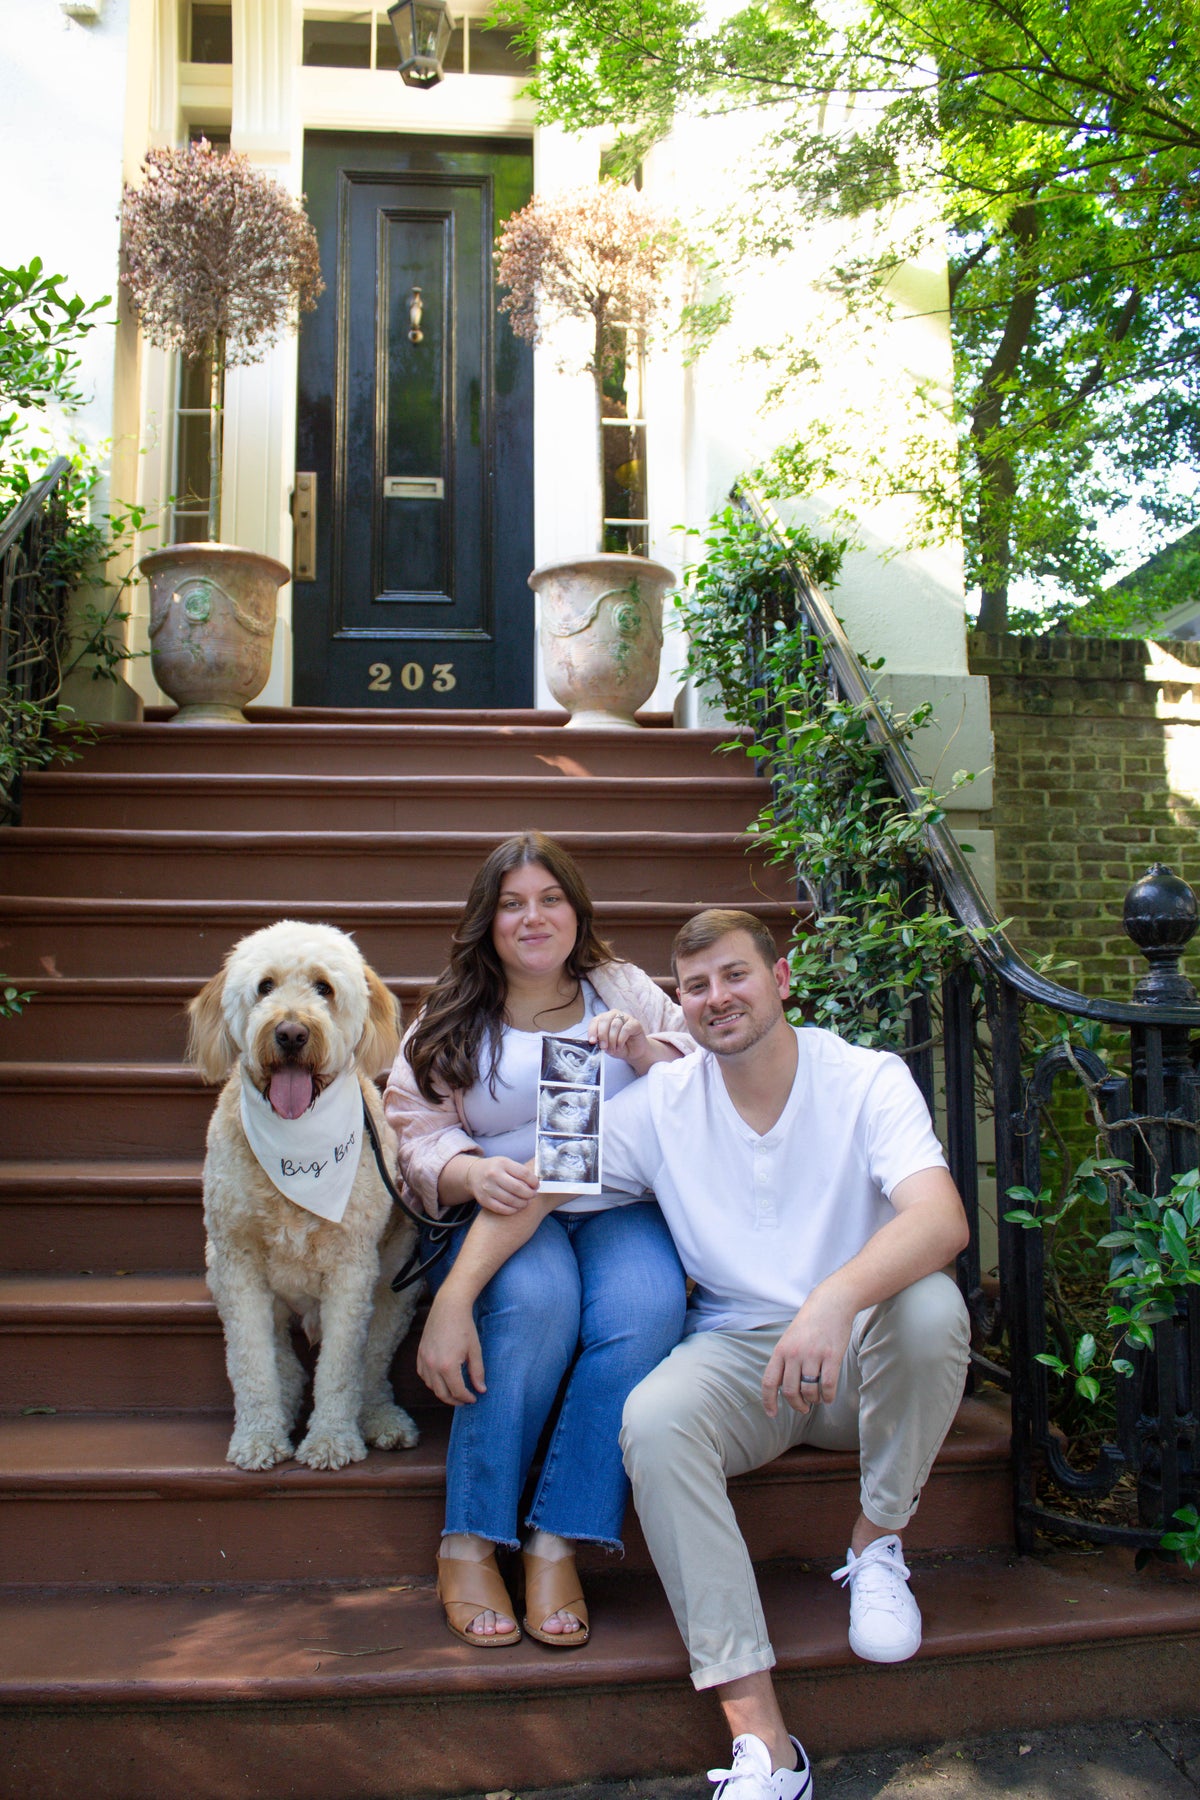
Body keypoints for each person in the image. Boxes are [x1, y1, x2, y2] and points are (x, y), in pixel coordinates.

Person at [428, 907, 971, 1798]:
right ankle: (766, 1746)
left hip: (858, 1357)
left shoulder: (866, 1079)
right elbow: (538, 1191)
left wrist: (835, 1297)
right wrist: (454, 1298)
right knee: (653, 1418)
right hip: (743, 1366)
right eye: (696, 986)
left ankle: (877, 1546)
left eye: (735, 975)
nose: (717, 998)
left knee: (932, 1313)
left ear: (782, 978)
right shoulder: (660, 1106)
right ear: (678, 1004)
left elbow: (941, 1219)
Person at [383, 831, 690, 1651]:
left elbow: (698, 1072)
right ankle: (472, 1537)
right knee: (539, 1301)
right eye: (513, 903)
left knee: (648, 1305)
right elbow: (413, 1129)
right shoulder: (451, 1011)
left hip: (620, 1204)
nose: (533, 917)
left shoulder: (619, 986)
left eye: (549, 899)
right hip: (505, 1213)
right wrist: (467, 1172)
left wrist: (645, 1050)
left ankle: (558, 1537)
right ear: (487, 921)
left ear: (576, 910)